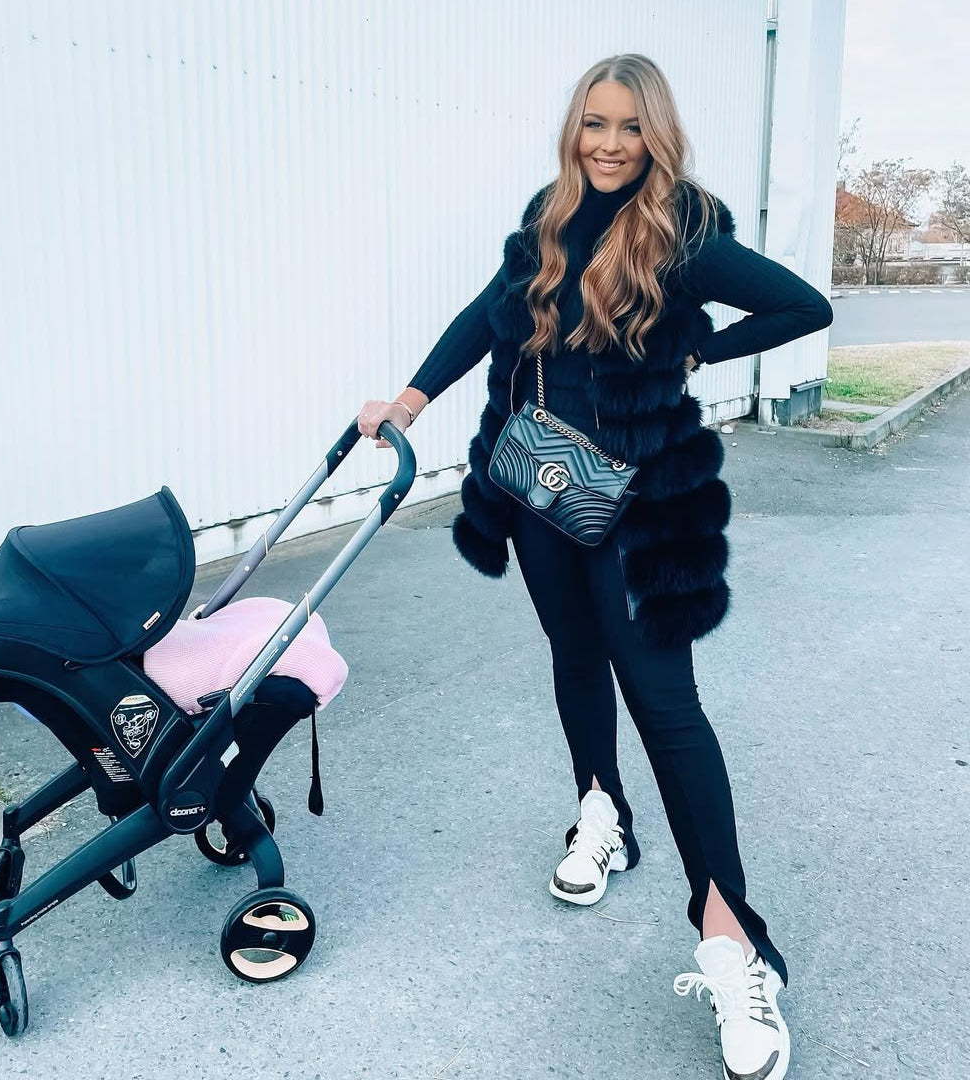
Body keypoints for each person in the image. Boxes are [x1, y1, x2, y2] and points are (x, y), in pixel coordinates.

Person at [358, 54, 832, 1080]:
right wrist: (408, 398)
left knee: (665, 704)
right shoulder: (549, 212)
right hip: (540, 477)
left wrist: (697, 353)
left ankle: (734, 942)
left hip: (642, 502)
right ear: (575, 130)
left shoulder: (686, 230)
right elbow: (487, 312)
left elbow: (804, 308)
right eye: (594, 124)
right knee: (575, 655)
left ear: (657, 132)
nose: (609, 143)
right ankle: (599, 812)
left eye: (629, 127)